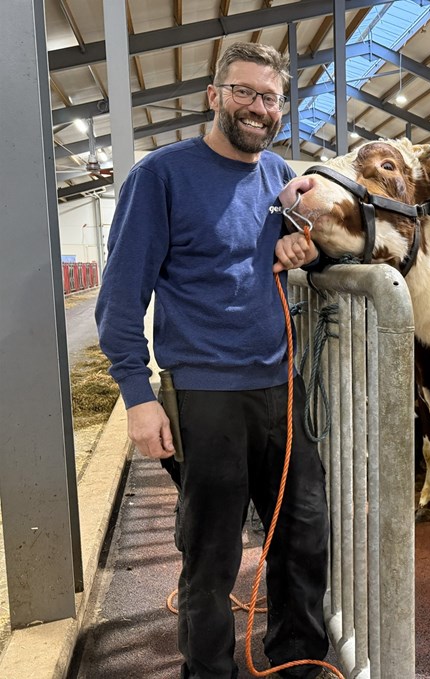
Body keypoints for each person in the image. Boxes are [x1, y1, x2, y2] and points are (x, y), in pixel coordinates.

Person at [96, 42, 330, 679]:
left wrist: (301, 250)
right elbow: (120, 297)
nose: (257, 107)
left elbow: (313, 242)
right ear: (215, 96)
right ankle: (209, 671)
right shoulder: (162, 176)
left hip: (280, 381)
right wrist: (138, 397)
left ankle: (300, 662)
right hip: (204, 391)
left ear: (281, 108)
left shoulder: (276, 175)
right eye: (244, 92)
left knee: (303, 534)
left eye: (269, 97)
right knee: (212, 550)